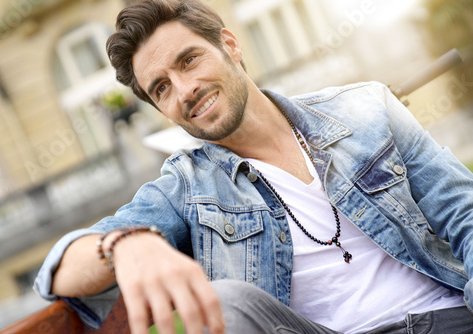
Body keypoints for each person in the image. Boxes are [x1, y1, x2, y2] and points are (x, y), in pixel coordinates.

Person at [34, 0, 473, 333]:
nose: (185, 90)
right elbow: (58, 271)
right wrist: (125, 244)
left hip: (447, 316)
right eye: (162, 88)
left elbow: (464, 214)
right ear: (160, 109)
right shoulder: (185, 188)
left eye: (189, 60)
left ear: (229, 44)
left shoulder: (365, 107)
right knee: (225, 300)